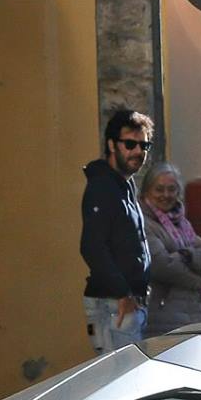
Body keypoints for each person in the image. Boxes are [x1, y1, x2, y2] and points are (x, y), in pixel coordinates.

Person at [80, 108, 154, 354]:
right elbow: (91, 246)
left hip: (126, 303)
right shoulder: (102, 186)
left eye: (144, 146)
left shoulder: (125, 184)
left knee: (129, 379)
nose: (138, 152)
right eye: (130, 144)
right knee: (120, 382)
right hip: (112, 304)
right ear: (112, 145)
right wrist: (122, 293)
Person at [138, 163, 201, 335]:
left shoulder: (183, 224)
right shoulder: (144, 223)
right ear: (146, 192)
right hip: (162, 317)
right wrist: (197, 281)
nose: (166, 195)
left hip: (193, 314)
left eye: (171, 189)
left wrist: (186, 255)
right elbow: (161, 265)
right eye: (159, 189)